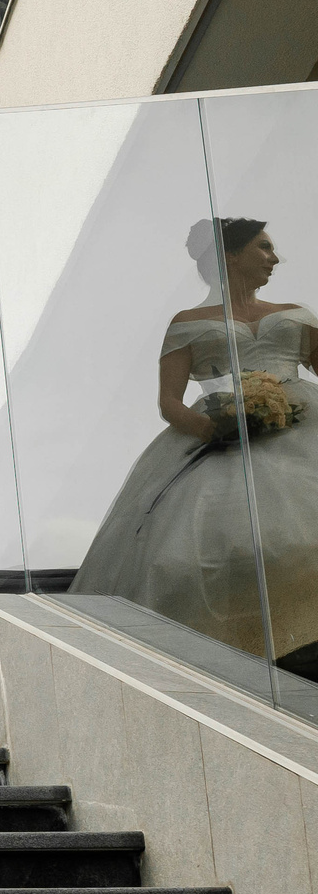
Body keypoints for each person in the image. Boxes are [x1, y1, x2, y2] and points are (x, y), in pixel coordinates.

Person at [72, 218, 318, 674]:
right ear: (231, 257)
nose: (274, 258)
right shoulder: (186, 323)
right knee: (211, 544)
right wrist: (214, 429)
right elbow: (169, 401)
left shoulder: (297, 313)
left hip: (306, 420)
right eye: (263, 248)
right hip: (225, 425)